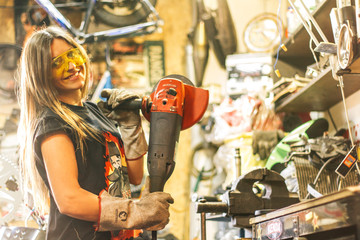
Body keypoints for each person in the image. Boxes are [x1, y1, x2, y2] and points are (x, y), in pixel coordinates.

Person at [17, 26, 174, 240]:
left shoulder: (94, 112)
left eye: (71, 55)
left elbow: (134, 177)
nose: (71, 66)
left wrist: (130, 125)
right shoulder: (52, 123)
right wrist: (136, 211)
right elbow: (69, 199)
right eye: (57, 63)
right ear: (40, 73)